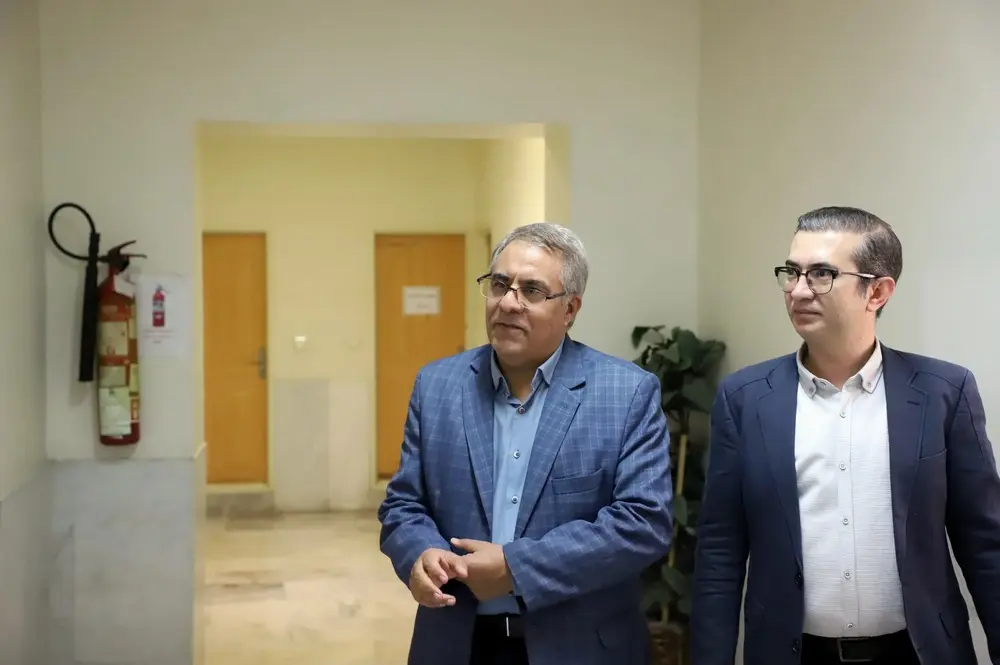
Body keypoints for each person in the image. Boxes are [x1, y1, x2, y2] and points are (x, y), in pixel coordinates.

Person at [691, 206, 1000, 665]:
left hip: (917, 653)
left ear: (877, 291)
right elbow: (720, 550)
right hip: (793, 653)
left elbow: (985, 544)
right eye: (792, 272)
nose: (799, 290)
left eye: (821, 274)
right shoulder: (745, 398)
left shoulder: (943, 392)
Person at [378, 222, 674, 665]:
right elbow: (403, 504)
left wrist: (516, 568)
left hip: (578, 647)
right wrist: (420, 554)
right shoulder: (437, 386)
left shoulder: (626, 393)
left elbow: (642, 522)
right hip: (456, 641)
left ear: (570, 308)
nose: (508, 303)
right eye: (499, 285)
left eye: (532, 290)